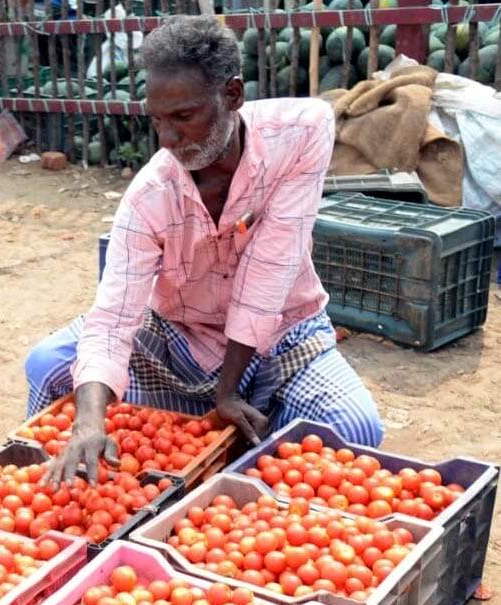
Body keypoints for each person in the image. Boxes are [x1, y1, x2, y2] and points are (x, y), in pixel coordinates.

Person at [39, 15, 384, 485]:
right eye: (157, 119)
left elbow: (271, 266)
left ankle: (241, 457)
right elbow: (114, 320)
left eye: (184, 117)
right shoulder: (149, 197)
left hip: (283, 332)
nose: (167, 138)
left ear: (233, 95)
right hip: (183, 340)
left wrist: (226, 393)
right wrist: (88, 422)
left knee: (352, 427)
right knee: (49, 366)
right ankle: (68, 480)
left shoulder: (301, 133)